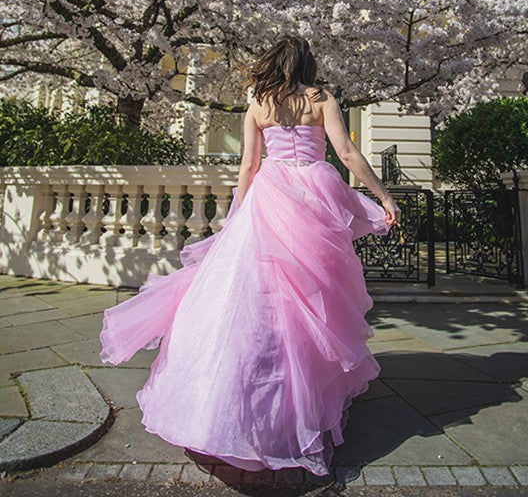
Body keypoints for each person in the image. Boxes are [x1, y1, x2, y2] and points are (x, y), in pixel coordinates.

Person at [99, 33, 401, 478]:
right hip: (314, 194)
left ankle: (237, 406)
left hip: (271, 194)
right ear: (306, 64)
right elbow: (347, 153)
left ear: (272, 63)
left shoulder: (257, 104)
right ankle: (302, 400)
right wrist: (383, 195)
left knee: (256, 298)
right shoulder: (321, 98)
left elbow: (248, 166)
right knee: (309, 299)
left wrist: (238, 215)